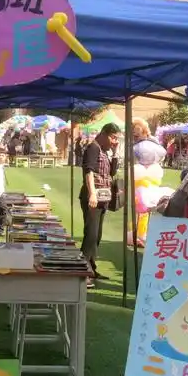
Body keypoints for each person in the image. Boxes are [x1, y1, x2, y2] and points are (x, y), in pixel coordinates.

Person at [80, 122, 120, 288]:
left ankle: (91, 267)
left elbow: (112, 172)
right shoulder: (93, 148)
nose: (114, 141)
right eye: (113, 137)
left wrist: (115, 153)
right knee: (91, 234)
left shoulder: (104, 151)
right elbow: (88, 171)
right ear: (104, 134)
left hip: (103, 198)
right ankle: (83, 271)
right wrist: (92, 194)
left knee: (97, 235)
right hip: (93, 198)